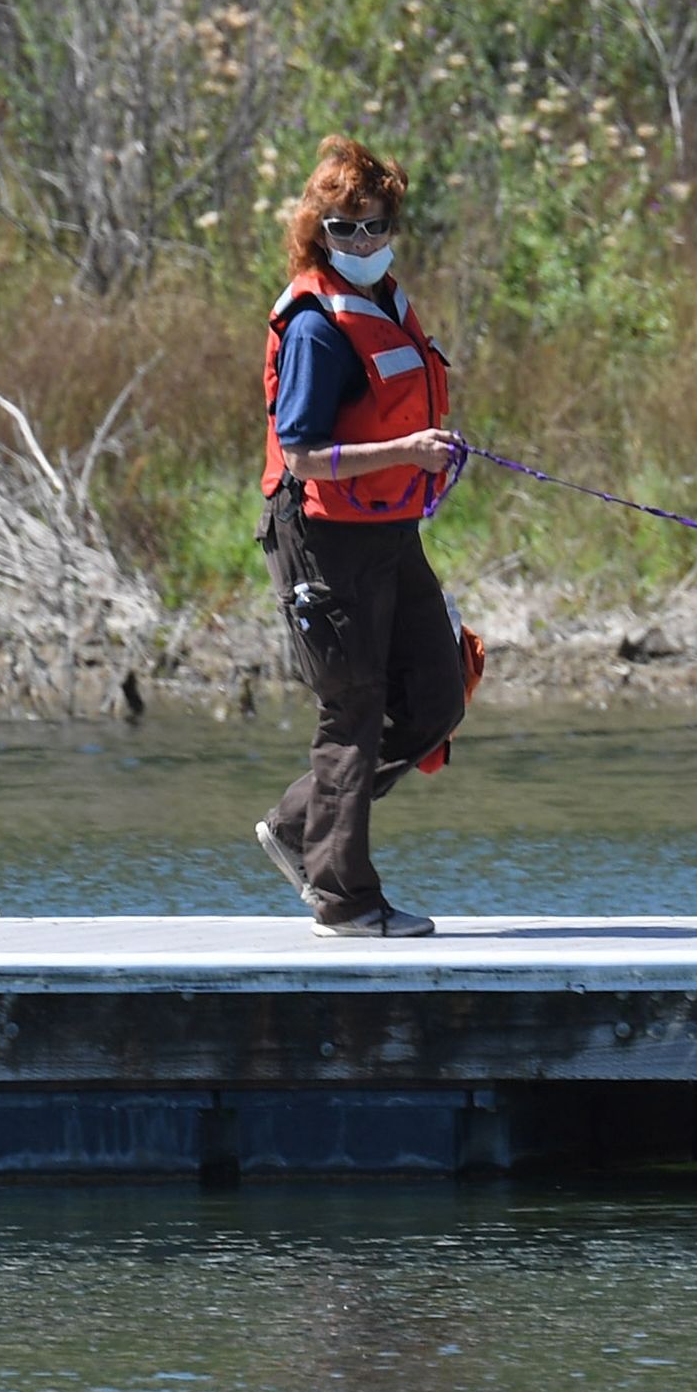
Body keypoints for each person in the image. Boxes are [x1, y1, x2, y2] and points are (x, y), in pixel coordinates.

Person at [251, 139, 469, 938]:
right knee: (353, 707)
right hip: (319, 534)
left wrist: (428, 459)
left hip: (386, 528)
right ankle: (344, 901)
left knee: (436, 696)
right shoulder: (314, 326)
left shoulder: (384, 306)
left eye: (375, 228)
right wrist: (407, 452)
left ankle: (298, 825)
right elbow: (303, 452)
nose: (363, 245)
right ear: (317, 232)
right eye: (344, 230)